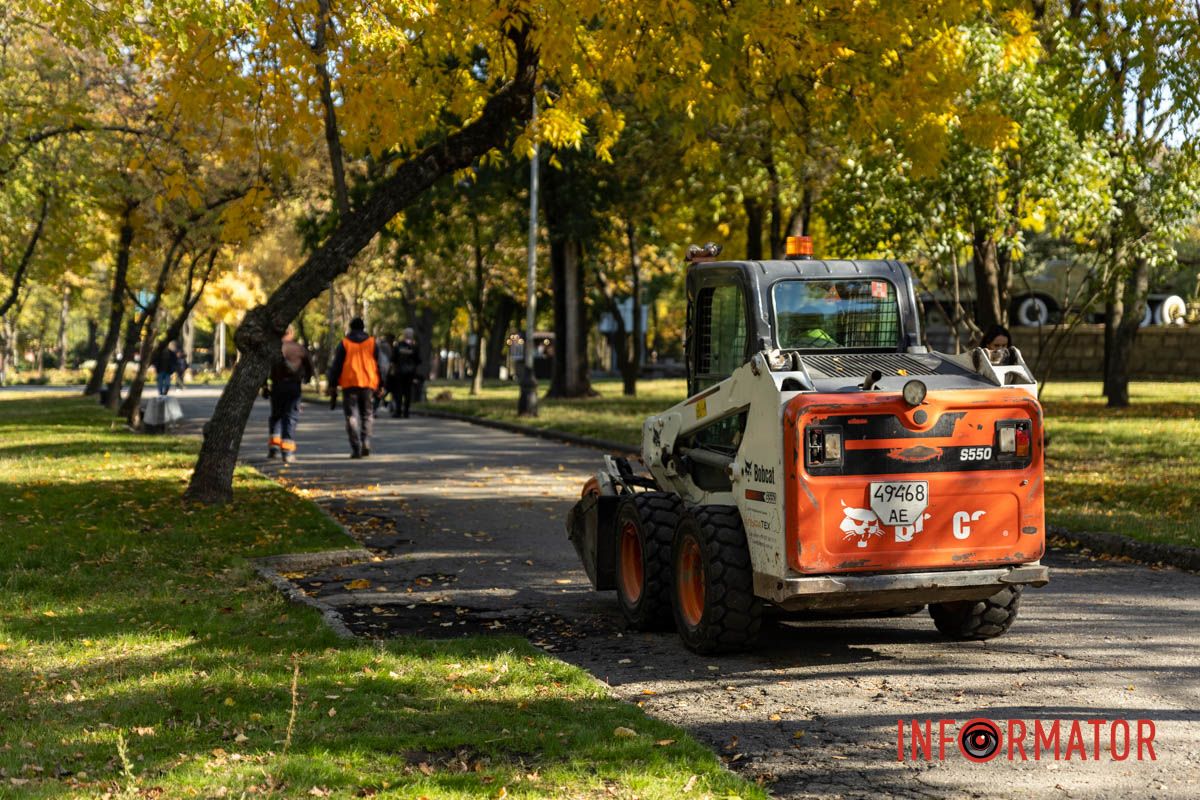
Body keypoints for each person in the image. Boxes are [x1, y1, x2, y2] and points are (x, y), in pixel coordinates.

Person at [328, 317, 389, 458]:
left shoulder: (344, 343)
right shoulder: (372, 342)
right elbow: (381, 365)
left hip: (349, 383)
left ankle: (356, 448)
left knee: (351, 415)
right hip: (368, 383)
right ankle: (365, 440)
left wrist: (332, 384)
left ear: (350, 328)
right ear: (363, 328)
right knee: (367, 414)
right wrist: (382, 384)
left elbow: (336, 366)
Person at [264, 326, 314, 463]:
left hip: (277, 386)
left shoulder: (273, 349)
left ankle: (273, 448)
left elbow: (264, 368)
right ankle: (287, 452)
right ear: (291, 332)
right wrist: (307, 378)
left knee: (276, 416)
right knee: (290, 417)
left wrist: (264, 385)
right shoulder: (299, 348)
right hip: (293, 387)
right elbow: (310, 367)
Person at [389, 327, 421, 418]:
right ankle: (406, 412)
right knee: (408, 392)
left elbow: (393, 359)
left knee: (399, 392)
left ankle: (398, 411)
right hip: (410, 373)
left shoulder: (398, 345)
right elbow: (418, 360)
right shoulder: (415, 347)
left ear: (404, 335)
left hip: (399, 372)